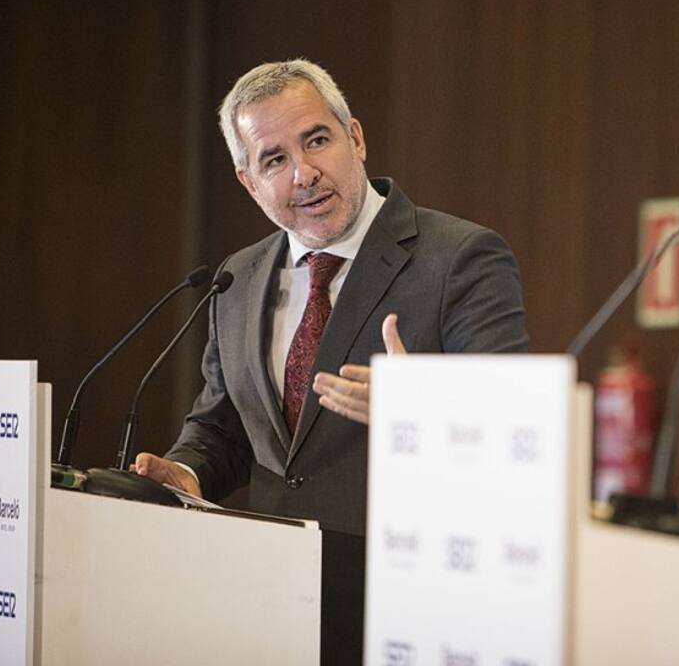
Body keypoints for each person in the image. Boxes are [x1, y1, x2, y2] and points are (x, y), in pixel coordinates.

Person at [132, 59, 529, 665]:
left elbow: (518, 425)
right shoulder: (237, 279)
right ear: (249, 182)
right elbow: (224, 429)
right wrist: (187, 474)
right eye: (274, 160)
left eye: (317, 140)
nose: (305, 173)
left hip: (409, 604)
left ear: (356, 139)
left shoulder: (460, 258)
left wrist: (421, 410)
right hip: (272, 603)